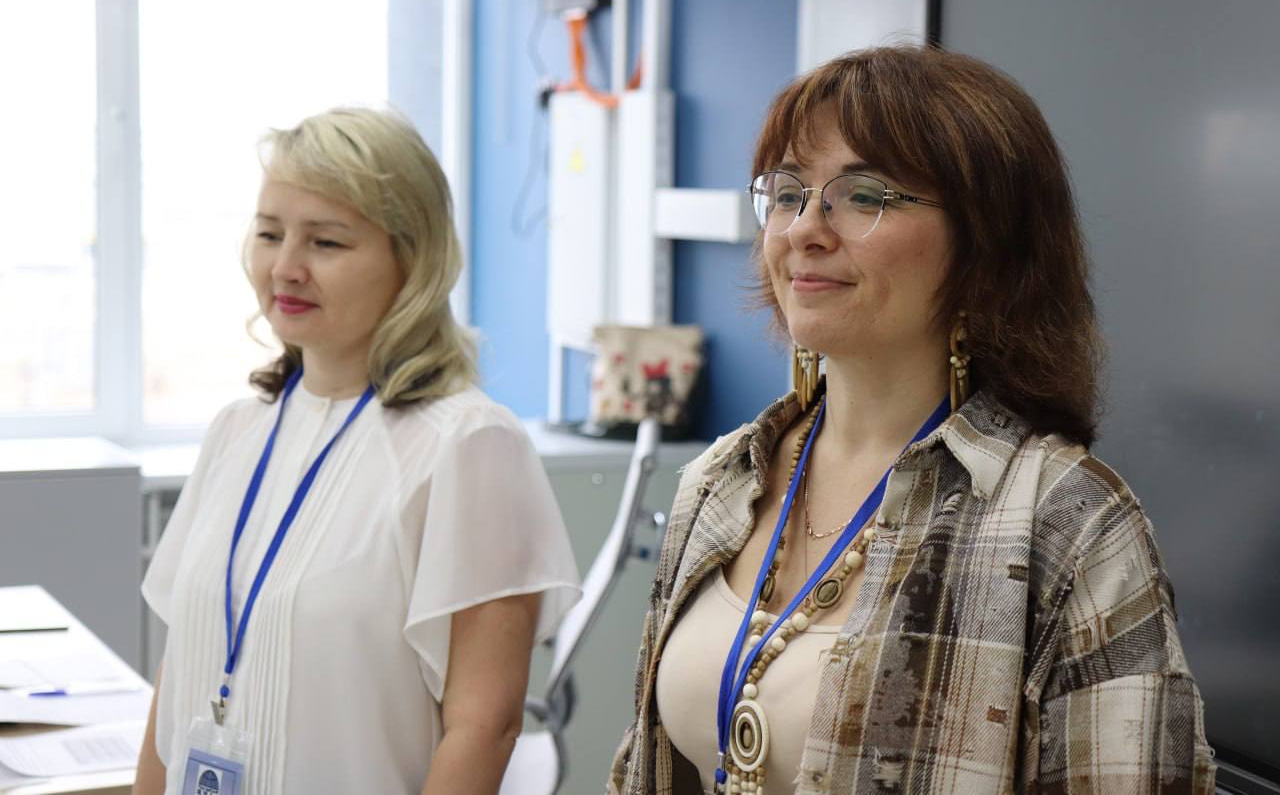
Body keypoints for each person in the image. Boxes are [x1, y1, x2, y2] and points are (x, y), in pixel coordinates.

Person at [609, 47, 1215, 794]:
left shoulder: (1069, 521)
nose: (804, 229)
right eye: (789, 192)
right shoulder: (723, 479)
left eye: (865, 195)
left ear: (984, 245)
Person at [133, 107, 580, 795]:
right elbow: (181, 674)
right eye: (270, 234)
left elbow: (483, 727)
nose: (286, 267)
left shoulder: (469, 446)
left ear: (412, 260)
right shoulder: (237, 431)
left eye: (326, 242)